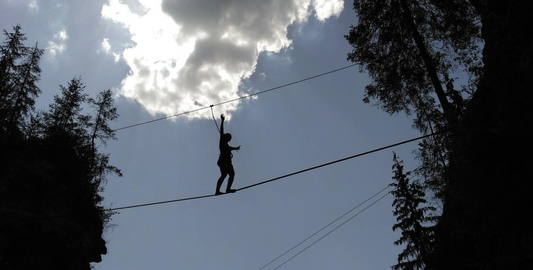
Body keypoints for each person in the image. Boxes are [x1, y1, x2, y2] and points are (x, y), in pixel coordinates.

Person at [215, 114, 240, 195]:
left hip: (227, 163)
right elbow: (221, 131)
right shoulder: (222, 141)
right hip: (223, 162)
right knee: (224, 175)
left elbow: (230, 148)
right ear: (225, 137)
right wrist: (222, 121)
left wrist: (236, 148)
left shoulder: (226, 145)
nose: (229, 140)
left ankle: (227, 189)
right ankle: (217, 191)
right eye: (228, 138)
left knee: (232, 174)